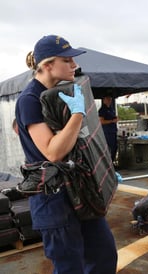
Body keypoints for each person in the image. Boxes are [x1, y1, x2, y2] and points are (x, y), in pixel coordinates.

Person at [15, 35, 117, 273]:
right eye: (67, 60)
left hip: (79, 188)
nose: (75, 65)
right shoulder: (30, 99)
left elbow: (75, 141)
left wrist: (102, 168)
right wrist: (77, 115)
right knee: (70, 267)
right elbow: (52, 152)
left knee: (104, 255)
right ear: (48, 64)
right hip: (54, 197)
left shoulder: (59, 92)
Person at [98, 96, 118, 162]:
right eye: (108, 99)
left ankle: (112, 162)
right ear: (104, 100)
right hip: (107, 132)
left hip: (113, 131)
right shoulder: (103, 109)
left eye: (110, 99)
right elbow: (101, 121)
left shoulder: (111, 108)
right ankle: (108, 163)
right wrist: (112, 121)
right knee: (109, 148)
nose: (110, 101)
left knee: (114, 147)